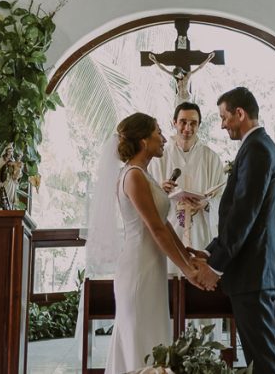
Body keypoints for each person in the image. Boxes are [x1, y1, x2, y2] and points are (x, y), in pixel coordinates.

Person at [103, 112, 213, 374]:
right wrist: (187, 271)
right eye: (158, 133)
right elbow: (155, 229)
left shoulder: (145, 174)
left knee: (153, 337)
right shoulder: (133, 176)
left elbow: (164, 224)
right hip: (139, 268)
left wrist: (189, 258)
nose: (164, 139)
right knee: (140, 342)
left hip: (151, 266)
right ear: (143, 140)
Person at [194, 87, 275, 374]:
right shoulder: (257, 146)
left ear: (240, 113)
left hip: (253, 271)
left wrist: (217, 266)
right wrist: (209, 251)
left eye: (224, 117)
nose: (222, 125)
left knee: (264, 359)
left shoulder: (257, 149)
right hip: (253, 271)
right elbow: (241, 214)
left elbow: (244, 214)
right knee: (259, 359)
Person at [149, 101, 226, 249]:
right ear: (174, 122)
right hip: (168, 230)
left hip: (200, 234)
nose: (187, 128)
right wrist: (159, 189)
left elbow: (222, 198)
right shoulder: (159, 157)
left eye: (193, 123)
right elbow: (145, 195)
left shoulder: (211, 158)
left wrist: (207, 204)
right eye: (183, 122)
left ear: (199, 125)